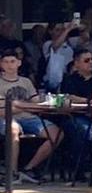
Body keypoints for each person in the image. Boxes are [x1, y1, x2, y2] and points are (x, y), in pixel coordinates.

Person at [1, 48, 58, 185]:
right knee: (13, 130)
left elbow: (36, 101)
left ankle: (28, 169)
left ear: (19, 63)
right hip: (6, 118)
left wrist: (19, 105)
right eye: (6, 62)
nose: (9, 65)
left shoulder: (26, 81)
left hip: (30, 118)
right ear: (1, 64)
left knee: (56, 134)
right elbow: (4, 110)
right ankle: (12, 173)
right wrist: (26, 105)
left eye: (12, 61)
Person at [42, 23, 74, 91]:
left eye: (62, 30)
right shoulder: (47, 44)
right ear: (50, 31)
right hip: (53, 79)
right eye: (57, 30)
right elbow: (55, 46)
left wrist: (82, 29)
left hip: (68, 77)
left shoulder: (69, 43)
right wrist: (67, 30)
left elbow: (84, 39)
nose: (61, 32)